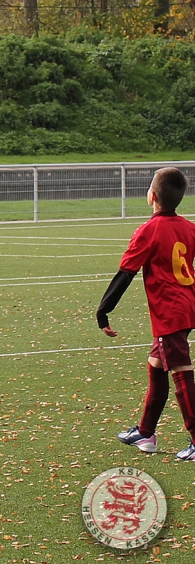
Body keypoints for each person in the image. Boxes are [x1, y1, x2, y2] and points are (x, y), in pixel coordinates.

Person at [97, 166, 195, 461]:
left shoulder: (148, 230)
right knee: (156, 365)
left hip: (170, 312)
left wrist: (104, 311)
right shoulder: (189, 227)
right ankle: (145, 433)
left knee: (180, 371)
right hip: (187, 305)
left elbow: (126, 273)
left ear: (151, 196)